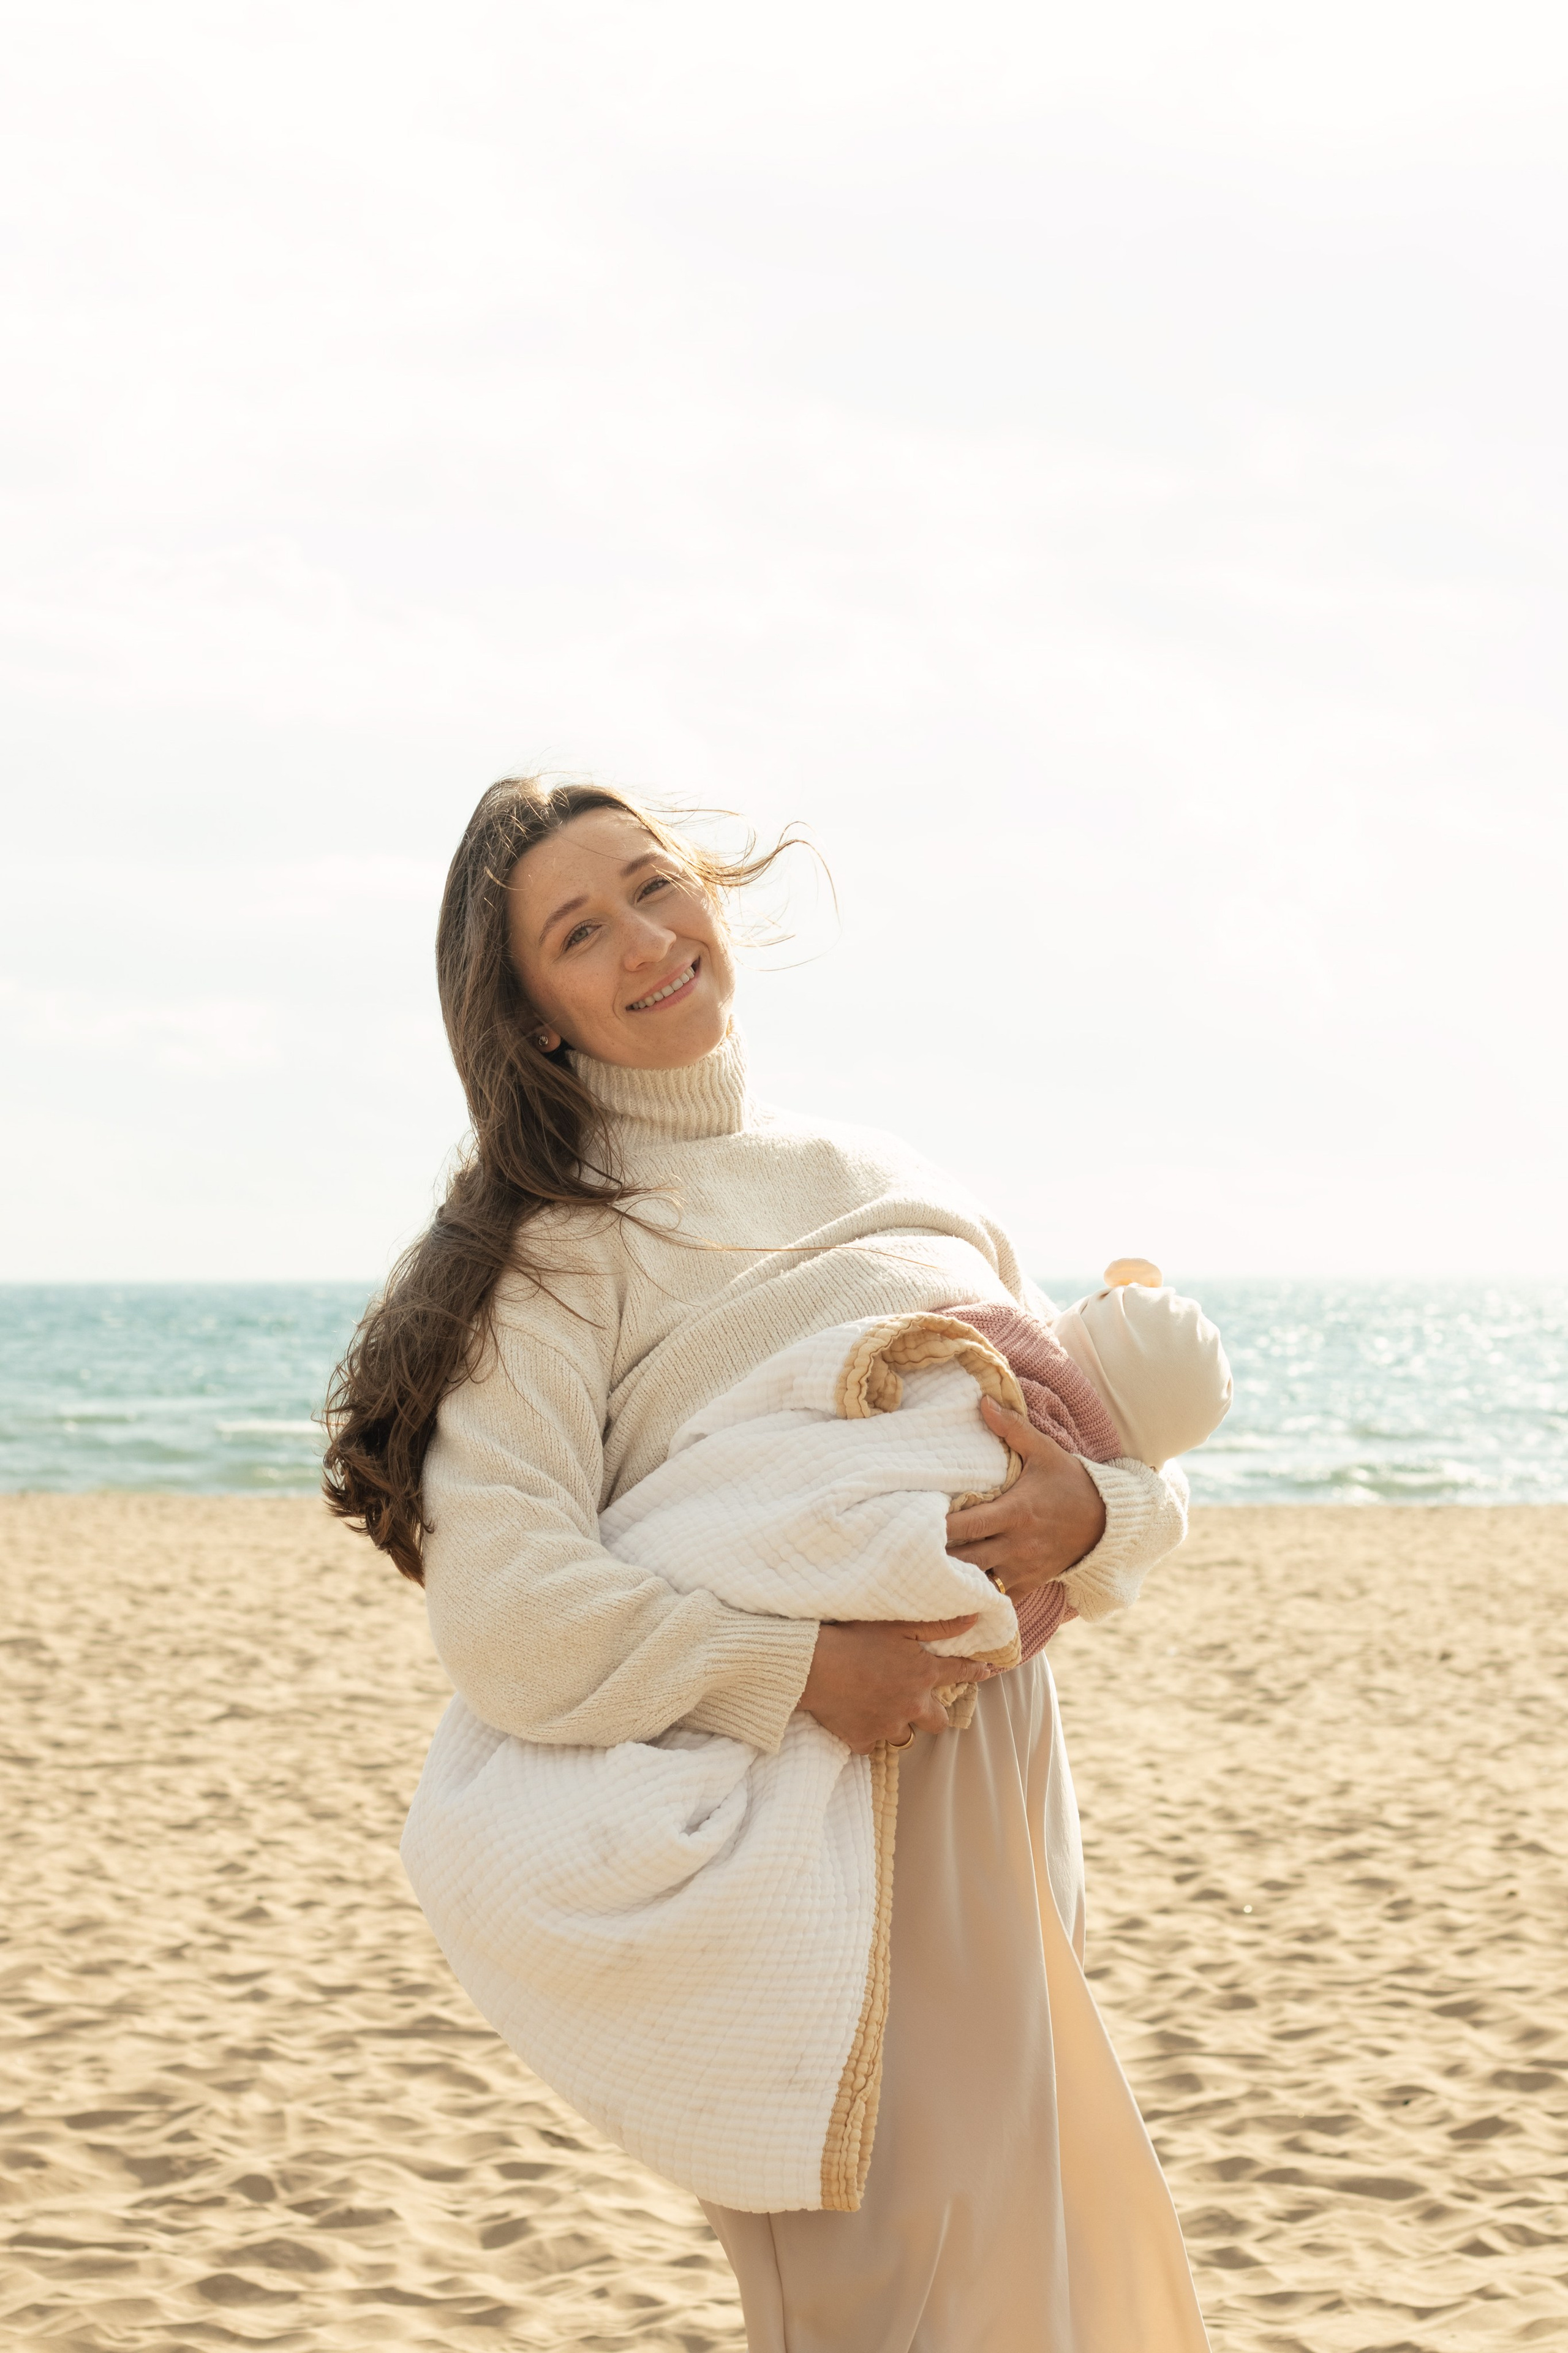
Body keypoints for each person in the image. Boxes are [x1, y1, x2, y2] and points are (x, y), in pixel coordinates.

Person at [325, 775, 1210, 2351]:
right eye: (581, 933)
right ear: (534, 1015)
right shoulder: (552, 1259)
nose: (648, 940)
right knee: (882, 2299)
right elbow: (506, 1609)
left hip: (996, 1783)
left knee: (1052, 2267)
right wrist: (801, 1668)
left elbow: (1086, 1435)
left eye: (655, 886)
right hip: (802, 1820)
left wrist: (1100, 1522)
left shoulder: (897, 1177)